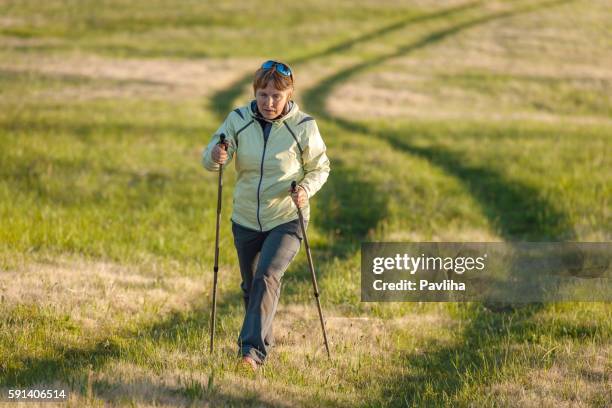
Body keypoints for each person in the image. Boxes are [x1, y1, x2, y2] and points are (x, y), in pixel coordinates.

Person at [202, 60, 330, 371]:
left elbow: (320, 167)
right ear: (255, 93)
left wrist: (305, 190)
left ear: (289, 95)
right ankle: (262, 340)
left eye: (276, 95)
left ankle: (251, 354)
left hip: (286, 217)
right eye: (263, 95)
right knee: (252, 286)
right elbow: (212, 156)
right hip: (245, 217)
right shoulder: (238, 120)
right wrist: (216, 156)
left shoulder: (303, 126)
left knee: (267, 276)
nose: (269, 102)